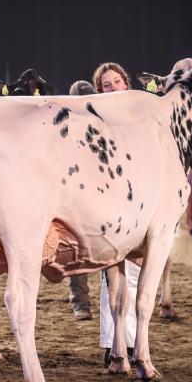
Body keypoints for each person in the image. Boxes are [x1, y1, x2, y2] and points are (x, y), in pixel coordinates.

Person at [91, 62, 137, 366]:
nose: (113, 87)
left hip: (137, 203)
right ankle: (113, 344)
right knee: (111, 278)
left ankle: (130, 342)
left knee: (133, 276)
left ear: (126, 83)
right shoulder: (95, 121)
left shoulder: (139, 117)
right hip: (108, 205)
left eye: (116, 81)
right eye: (106, 84)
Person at [66, 80, 97, 320]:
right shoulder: (65, 127)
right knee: (77, 249)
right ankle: (80, 302)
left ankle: (83, 302)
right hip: (75, 196)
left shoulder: (102, 125)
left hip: (99, 192)